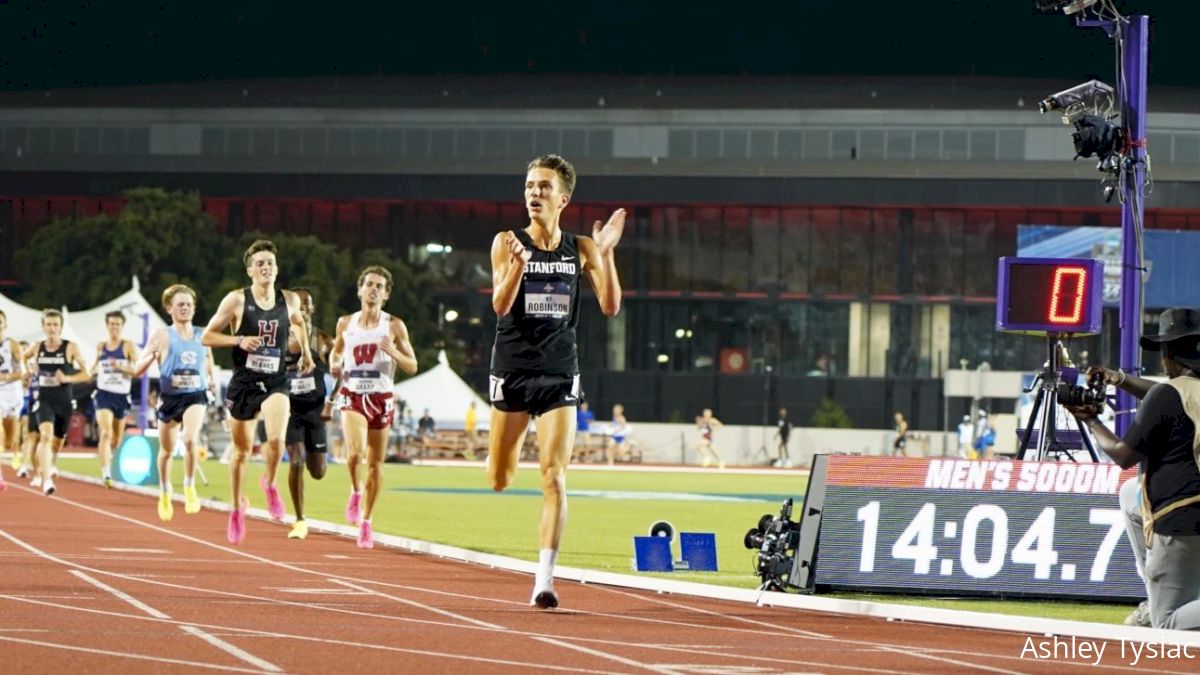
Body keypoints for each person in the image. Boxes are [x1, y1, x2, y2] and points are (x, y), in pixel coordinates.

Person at [486, 154, 626, 609]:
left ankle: (543, 579)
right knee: (499, 479)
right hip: (511, 370)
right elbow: (500, 307)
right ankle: (509, 457)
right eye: (529, 185)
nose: (534, 193)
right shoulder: (505, 242)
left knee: (555, 477)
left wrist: (606, 254)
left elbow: (609, 305)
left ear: (563, 198)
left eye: (543, 186)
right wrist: (519, 266)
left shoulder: (581, 248)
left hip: (560, 372)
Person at [1064, 307, 1200, 630]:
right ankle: (1154, 595)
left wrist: (1091, 420)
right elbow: (1165, 393)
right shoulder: (1178, 392)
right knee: (1130, 495)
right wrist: (1120, 379)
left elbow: (1124, 455)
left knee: (1165, 624)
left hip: (1181, 519)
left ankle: (1157, 608)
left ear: (1167, 353)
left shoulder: (1168, 394)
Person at [202, 239, 313, 545]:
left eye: (270, 263)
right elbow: (207, 336)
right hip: (244, 383)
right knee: (240, 451)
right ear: (250, 270)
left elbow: (299, 322)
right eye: (260, 263)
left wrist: (306, 352)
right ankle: (237, 508)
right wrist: (238, 341)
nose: (266, 267)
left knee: (276, 440)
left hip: (276, 380)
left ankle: (270, 482)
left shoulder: (289, 299)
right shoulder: (236, 300)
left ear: (277, 269)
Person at [330, 265, 418, 548]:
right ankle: (355, 491)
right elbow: (336, 350)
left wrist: (392, 350)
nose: (373, 289)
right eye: (369, 284)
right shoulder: (346, 323)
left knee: (376, 464)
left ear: (386, 295)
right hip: (352, 394)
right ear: (359, 289)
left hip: (381, 398)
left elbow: (412, 365)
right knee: (355, 454)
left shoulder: (394, 326)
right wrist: (334, 362)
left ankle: (366, 521)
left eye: (379, 286)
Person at [135, 285, 217, 521]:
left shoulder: (204, 335)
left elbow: (209, 362)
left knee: (190, 439)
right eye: (180, 304)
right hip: (170, 398)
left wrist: (210, 379)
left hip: (196, 395)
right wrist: (151, 356)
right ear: (169, 308)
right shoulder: (161, 335)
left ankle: (189, 486)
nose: (185, 308)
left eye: (189, 304)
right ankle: (165, 491)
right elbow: (137, 369)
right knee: (167, 451)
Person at [23, 309, 89, 495]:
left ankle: (51, 464)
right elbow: (24, 357)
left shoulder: (71, 348)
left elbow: (87, 374)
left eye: (55, 325)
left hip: (64, 401)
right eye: (48, 324)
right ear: (43, 327)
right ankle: (46, 480)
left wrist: (67, 378)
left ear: (60, 327)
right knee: (45, 436)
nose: (51, 328)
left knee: (57, 442)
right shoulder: (37, 347)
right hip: (44, 399)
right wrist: (27, 372)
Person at [283, 287, 330, 540]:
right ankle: (300, 519)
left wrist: (332, 402)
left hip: (315, 412)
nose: (301, 307)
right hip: (289, 410)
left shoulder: (322, 340)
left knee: (318, 472)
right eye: (296, 303)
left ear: (312, 309)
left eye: (305, 304)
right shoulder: (279, 340)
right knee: (296, 461)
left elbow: (344, 372)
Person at [91, 310, 138, 488]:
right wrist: (91, 371)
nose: (114, 327)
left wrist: (119, 366)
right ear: (107, 325)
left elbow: (137, 370)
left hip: (121, 396)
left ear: (122, 326)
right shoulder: (101, 346)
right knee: (105, 432)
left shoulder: (127, 346)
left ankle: (109, 458)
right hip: (103, 394)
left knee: (116, 440)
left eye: (118, 324)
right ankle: (106, 474)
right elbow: (94, 366)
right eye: (112, 324)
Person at [0, 310, 25, 491]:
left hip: (13, 395)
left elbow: (21, 373)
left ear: (5, 325)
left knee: (9, 441)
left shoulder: (13, 346)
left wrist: (4, 377)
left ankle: (14, 451)